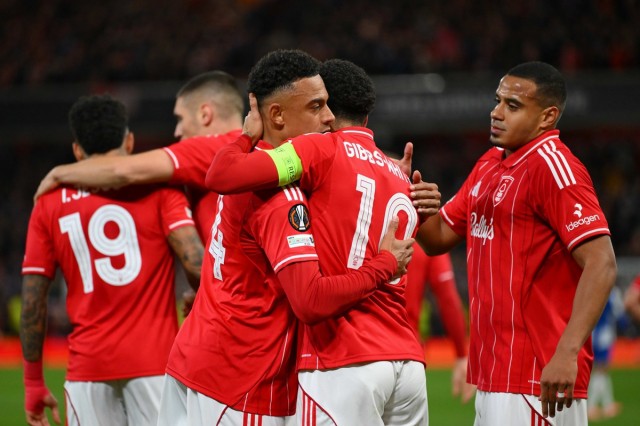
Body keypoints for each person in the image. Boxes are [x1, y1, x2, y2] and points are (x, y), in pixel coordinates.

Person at [159, 50, 415, 426]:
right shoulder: (281, 195)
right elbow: (310, 299)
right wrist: (385, 264)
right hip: (243, 381)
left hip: (194, 360)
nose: (329, 118)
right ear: (277, 115)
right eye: (316, 106)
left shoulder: (250, 166)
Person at [412, 61, 617, 424]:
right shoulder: (490, 164)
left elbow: (602, 262)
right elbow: (438, 237)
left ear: (547, 117)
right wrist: (414, 201)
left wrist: (567, 353)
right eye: (498, 101)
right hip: (493, 374)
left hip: (538, 377)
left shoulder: (555, 168)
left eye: (513, 105)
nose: (496, 112)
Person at [20, 94, 203, 426]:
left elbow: (33, 299)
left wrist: (33, 381)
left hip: (87, 371)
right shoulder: (160, 188)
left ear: (77, 151)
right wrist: (197, 296)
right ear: (129, 141)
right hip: (156, 366)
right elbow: (196, 264)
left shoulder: (48, 201)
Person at [34, 71, 245, 312]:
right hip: (244, 296)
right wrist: (204, 291)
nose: (177, 131)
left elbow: (123, 170)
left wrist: (59, 173)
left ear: (205, 114)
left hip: (241, 307)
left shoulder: (218, 148)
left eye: (180, 118)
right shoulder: (246, 149)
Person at [404, 246, 475, 403]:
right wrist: (461, 355)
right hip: (407, 354)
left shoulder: (363, 235)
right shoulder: (424, 240)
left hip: (364, 349)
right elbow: (448, 299)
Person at [587, 288, 624, 421]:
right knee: (601, 371)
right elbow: (619, 314)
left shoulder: (592, 289)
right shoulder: (612, 292)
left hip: (592, 333)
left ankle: (607, 404)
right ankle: (592, 406)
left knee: (600, 371)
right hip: (604, 334)